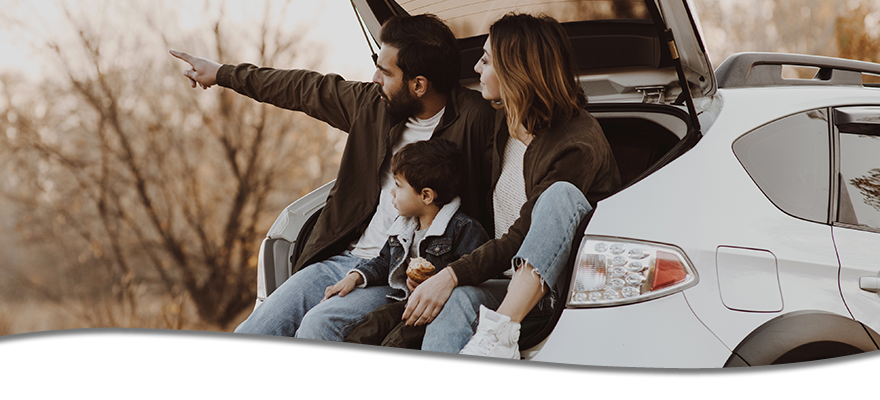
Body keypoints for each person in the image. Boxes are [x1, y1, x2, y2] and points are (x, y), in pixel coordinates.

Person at [169, 14, 496, 341]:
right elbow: (302, 88)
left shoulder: (476, 121)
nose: (375, 78)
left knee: (319, 324)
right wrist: (223, 74)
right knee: (256, 327)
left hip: (395, 273)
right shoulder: (373, 105)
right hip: (342, 258)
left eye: (385, 71)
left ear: (419, 85)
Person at [400, 13, 623, 358]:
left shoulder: (577, 143)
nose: (475, 67)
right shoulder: (504, 124)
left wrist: (451, 275)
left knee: (558, 196)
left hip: (553, 289)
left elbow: (525, 232)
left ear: (516, 70)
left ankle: (499, 334)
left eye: (486, 60)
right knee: (454, 301)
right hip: (504, 279)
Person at [320, 139, 489, 349]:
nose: (391, 192)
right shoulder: (403, 226)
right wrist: (355, 277)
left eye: (398, 186)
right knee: (371, 326)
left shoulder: (463, 228)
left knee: (398, 339)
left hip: (437, 308)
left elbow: (475, 274)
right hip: (406, 301)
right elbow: (384, 262)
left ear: (426, 195)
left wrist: (436, 282)